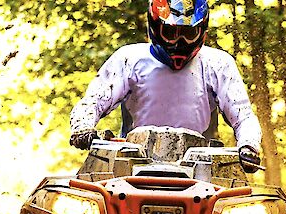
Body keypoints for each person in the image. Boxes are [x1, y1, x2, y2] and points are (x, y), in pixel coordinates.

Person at [69, 0, 262, 164]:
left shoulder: (218, 64)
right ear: (154, 28)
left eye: (189, 34)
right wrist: (82, 127)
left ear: (202, 31)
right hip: (132, 162)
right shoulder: (128, 59)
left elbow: (243, 115)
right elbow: (93, 101)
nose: (179, 42)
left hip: (202, 166)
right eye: (170, 33)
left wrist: (249, 146)